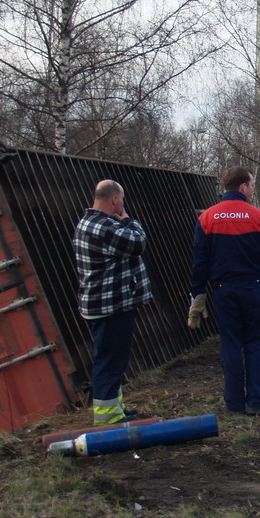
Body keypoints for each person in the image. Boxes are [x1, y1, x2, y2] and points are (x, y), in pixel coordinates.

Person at [188, 166, 260, 417]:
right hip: (254, 289)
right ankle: (256, 402)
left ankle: (233, 404)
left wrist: (197, 296)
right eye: (252, 185)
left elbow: (200, 261)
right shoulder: (259, 217)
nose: (253, 189)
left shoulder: (207, 218)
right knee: (255, 345)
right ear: (243, 187)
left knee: (230, 345)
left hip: (224, 291)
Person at [73, 180, 153, 425]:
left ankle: (115, 408)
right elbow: (137, 243)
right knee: (110, 360)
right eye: (123, 200)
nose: (123, 205)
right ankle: (108, 418)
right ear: (115, 200)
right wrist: (129, 220)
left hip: (105, 304)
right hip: (110, 306)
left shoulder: (90, 223)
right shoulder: (102, 226)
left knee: (113, 358)